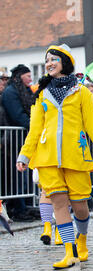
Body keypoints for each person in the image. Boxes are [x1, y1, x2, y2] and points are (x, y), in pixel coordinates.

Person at [16, 44, 93, 269]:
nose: (49, 63)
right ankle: (69, 252)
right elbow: (35, 129)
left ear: (65, 62)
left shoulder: (81, 92)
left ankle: (82, 240)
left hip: (76, 156)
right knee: (59, 202)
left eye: (54, 59)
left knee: (80, 206)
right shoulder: (41, 93)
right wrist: (24, 156)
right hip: (48, 157)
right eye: (47, 59)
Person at [1, 64, 35, 222]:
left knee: (26, 174)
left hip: (23, 137)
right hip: (13, 140)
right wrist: (35, 126)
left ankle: (27, 205)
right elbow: (17, 114)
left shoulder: (24, 91)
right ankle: (19, 207)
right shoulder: (11, 92)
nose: (31, 79)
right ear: (20, 76)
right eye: (28, 76)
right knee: (17, 175)